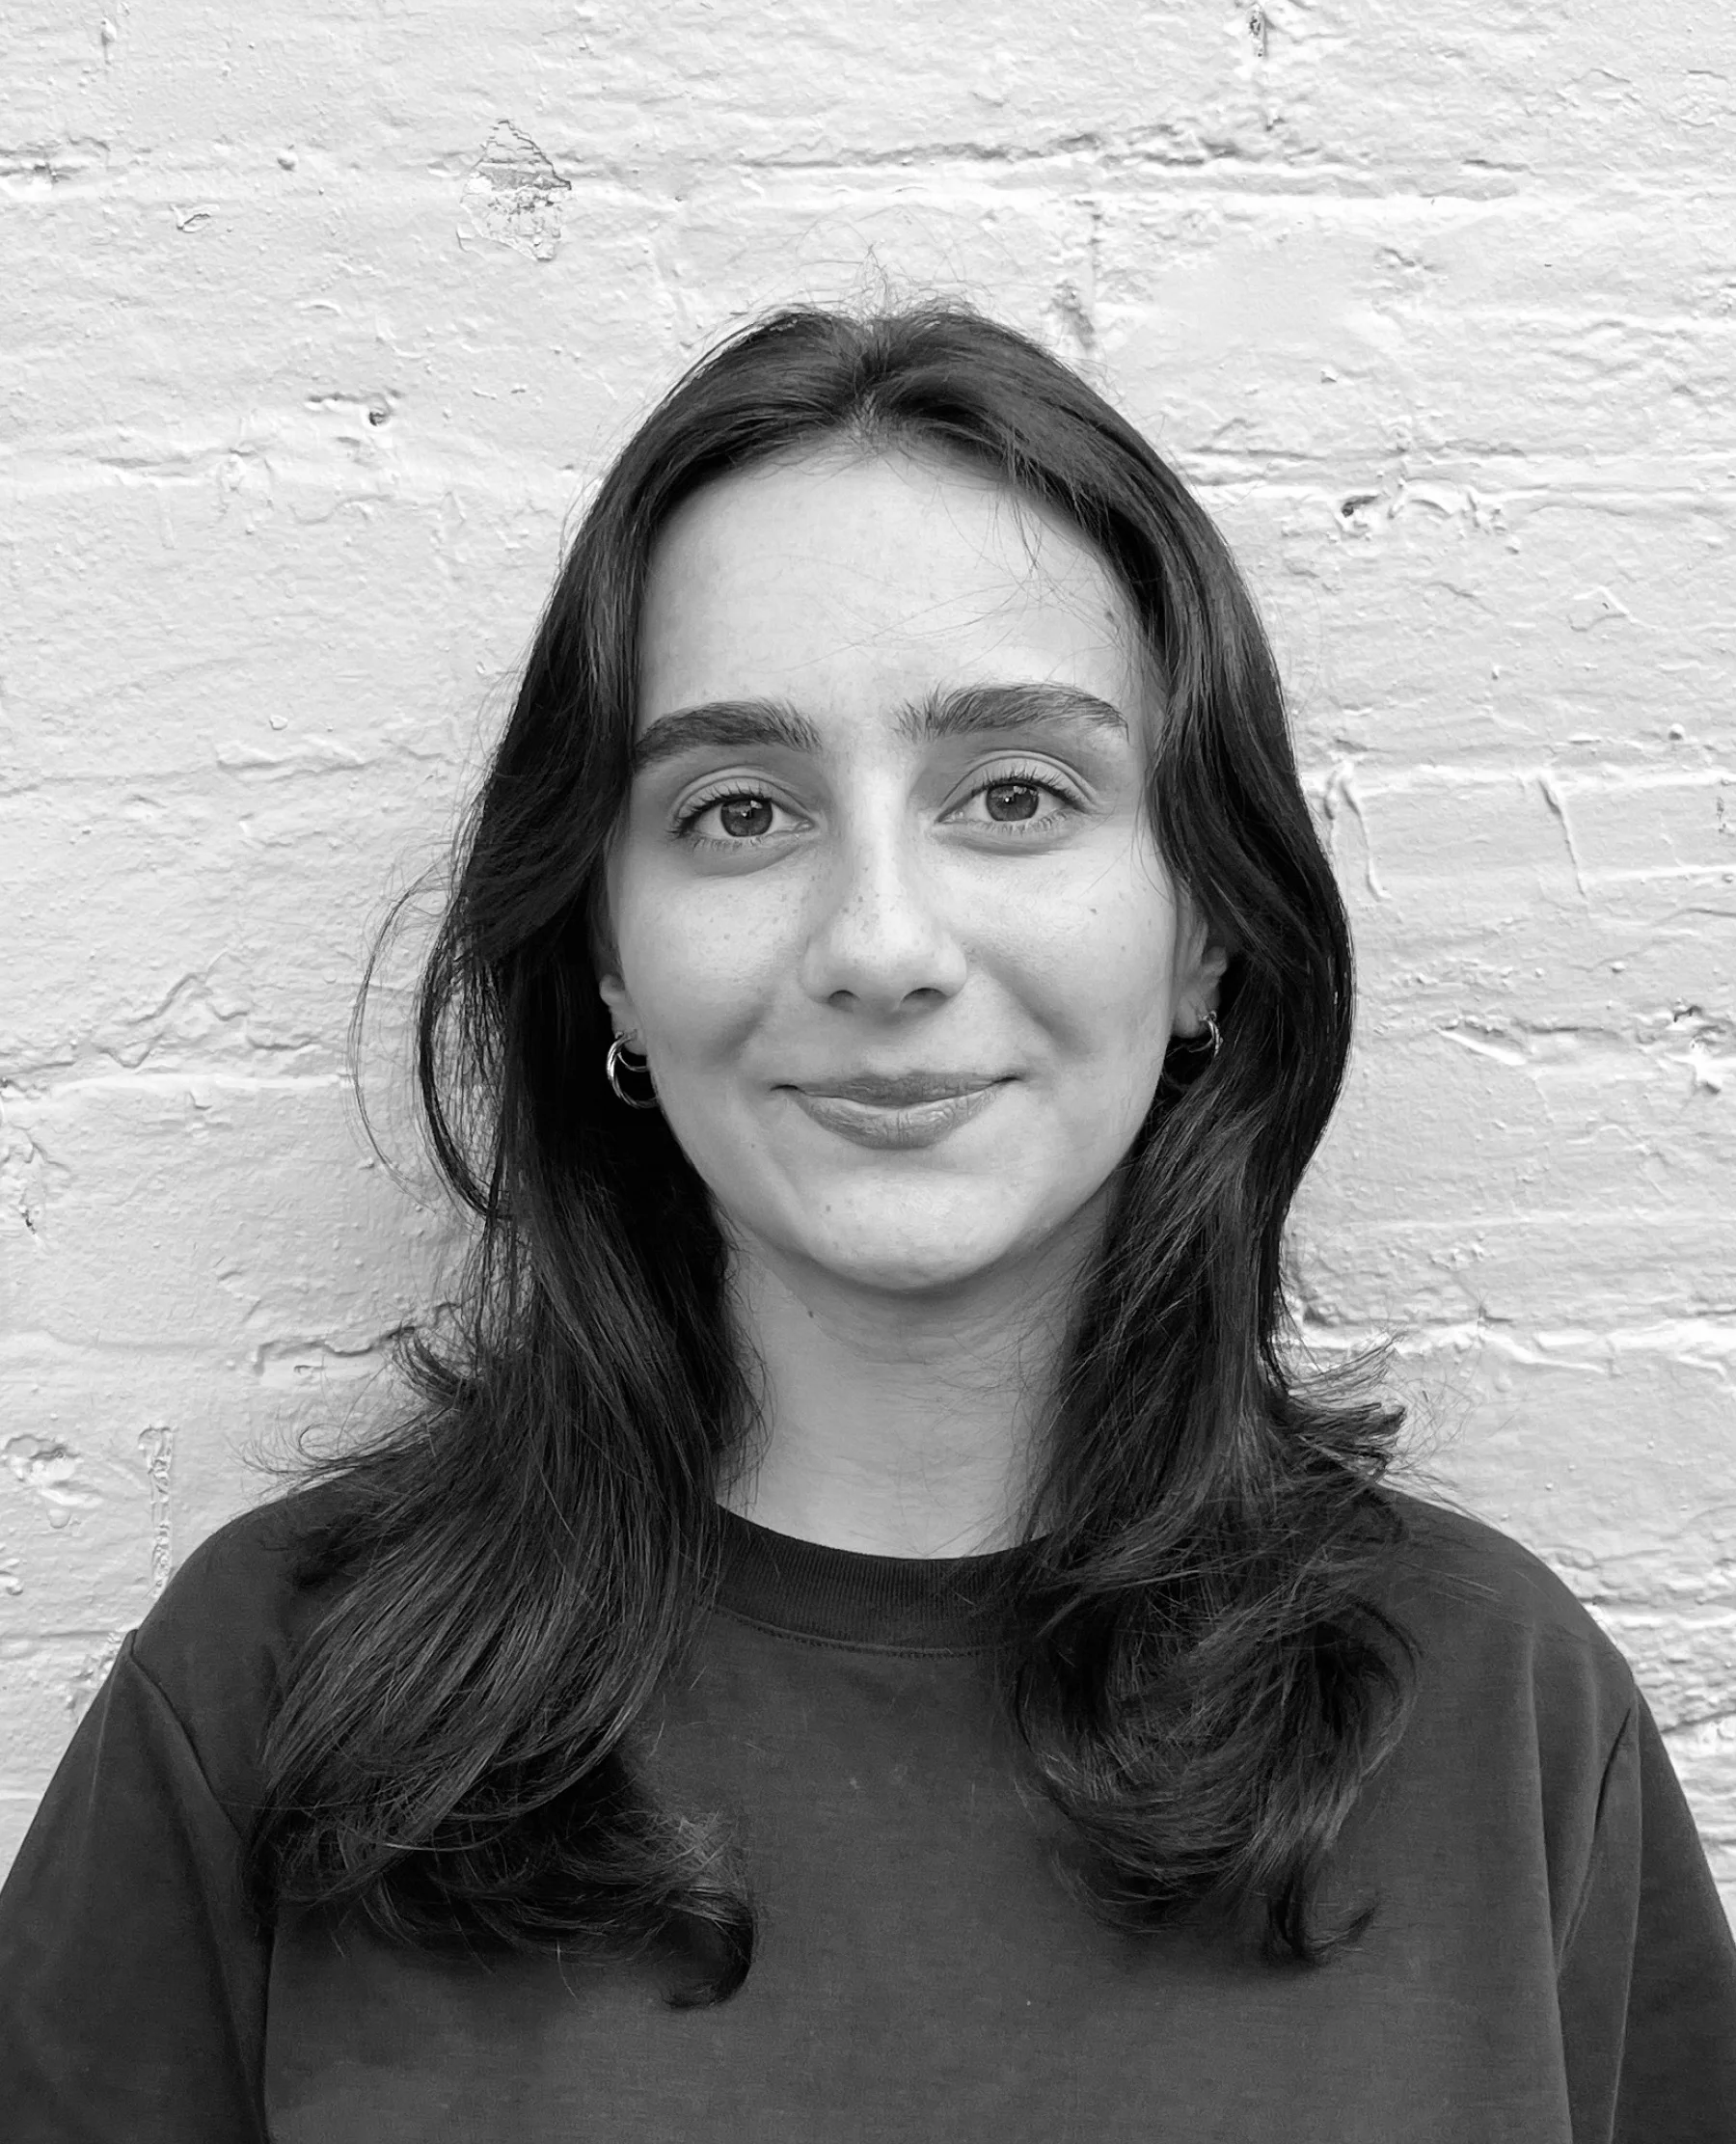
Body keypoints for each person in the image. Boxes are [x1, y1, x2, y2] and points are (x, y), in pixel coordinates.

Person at [1, 301, 1731, 2143]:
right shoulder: (273, 1692)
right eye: (741, 812)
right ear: (607, 958)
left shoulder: (1496, 1715)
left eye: (1016, 794)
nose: (882, 948)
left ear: (1207, 924)